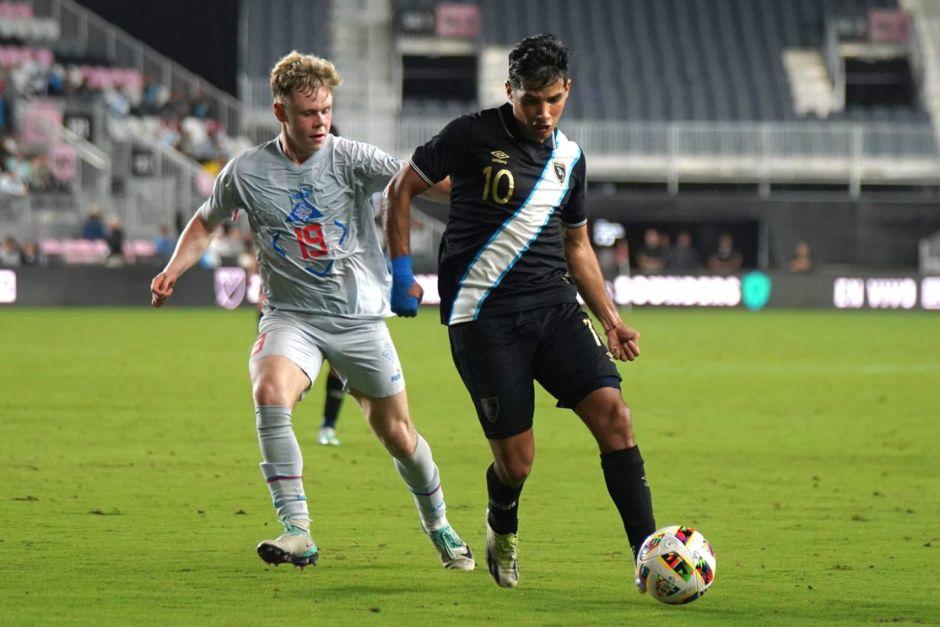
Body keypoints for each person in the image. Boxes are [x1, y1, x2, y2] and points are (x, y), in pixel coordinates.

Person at [150, 51, 474, 571]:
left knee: (398, 435)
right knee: (269, 392)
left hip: (358, 318)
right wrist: (173, 269)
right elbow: (206, 221)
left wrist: (491, 190)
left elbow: (424, 185)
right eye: (308, 113)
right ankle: (297, 528)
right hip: (289, 316)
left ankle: (438, 524)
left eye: (325, 110)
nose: (320, 121)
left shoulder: (353, 158)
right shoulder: (247, 171)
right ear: (281, 113)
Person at [385, 34, 655, 590]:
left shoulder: (570, 159)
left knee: (616, 418)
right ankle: (502, 521)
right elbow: (400, 189)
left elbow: (577, 246)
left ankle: (646, 555)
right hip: (483, 318)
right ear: (510, 91)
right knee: (518, 463)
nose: (543, 112)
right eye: (531, 100)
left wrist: (611, 318)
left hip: (554, 308)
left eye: (554, 99)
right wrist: (402, 275)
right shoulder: (469, 134)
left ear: (567, 91)